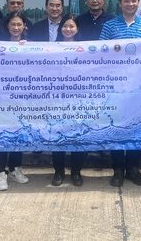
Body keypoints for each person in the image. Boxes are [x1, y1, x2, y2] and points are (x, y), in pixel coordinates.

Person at [100, 0, 141, 187]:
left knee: (135, 127)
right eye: (126, 1)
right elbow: (101, 52)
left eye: (133, 0)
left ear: (138, 2)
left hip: (138, 87)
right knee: (116, 126)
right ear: (120, 3)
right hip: (116, 86)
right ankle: (117, 170)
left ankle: (133, 169)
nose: (130, 4)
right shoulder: (109, 26)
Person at [0, 11, 31, 191]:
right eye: (13, 24)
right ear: (7, 27)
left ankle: (15, 169)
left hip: (23, 98)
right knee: (2, 135)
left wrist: (26, 50)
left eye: (19, 24)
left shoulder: (31, 47)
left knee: (18, 135)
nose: (16, 28)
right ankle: (0, 173)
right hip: (3, 97)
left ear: (24, 26)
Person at [51, 13, 87, 187]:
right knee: (57, 134)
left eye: (72, 26)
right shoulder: (51, 48)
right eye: (65, 26)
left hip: (78, 98)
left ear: (77, 29)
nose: (68, 29)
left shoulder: (86, 49)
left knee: (77, 135)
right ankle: (58, 172)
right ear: (60, 29)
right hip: (56, 98)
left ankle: (76, 172)